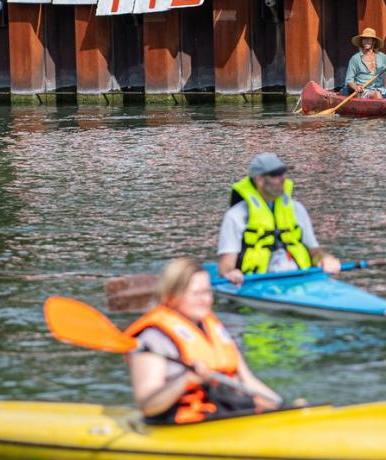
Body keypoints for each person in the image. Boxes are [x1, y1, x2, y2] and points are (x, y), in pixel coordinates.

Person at [126, 258, 284, 424]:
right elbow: (147, 406)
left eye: (207, 292)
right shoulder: (153, 338)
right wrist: (185, 379)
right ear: (172, 296)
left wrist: (283, 407)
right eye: (196, 293)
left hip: (223, 413)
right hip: (179, 425)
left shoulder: (213, 328)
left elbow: (247, 381)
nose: (205, 300)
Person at [217, 152, 341, 285]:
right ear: (259, 180)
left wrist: (326, 259)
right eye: (275, 175)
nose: (282, 179)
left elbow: (315, 252)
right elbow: (226, 264)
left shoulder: (297, 209)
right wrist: (231, 273)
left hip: (299, 277)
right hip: (257, 281)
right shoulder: (236, 215)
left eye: (283, 173)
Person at [340, 27, 386, 99]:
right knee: (377, 95)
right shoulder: (355, 59)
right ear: (362, 41)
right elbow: (349, 80)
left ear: (373, 41)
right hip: (363, 90)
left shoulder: (382, 57)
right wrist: (356, 87)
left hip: (379, 89)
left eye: (368, 39)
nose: (366, 41)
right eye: (364, 39)